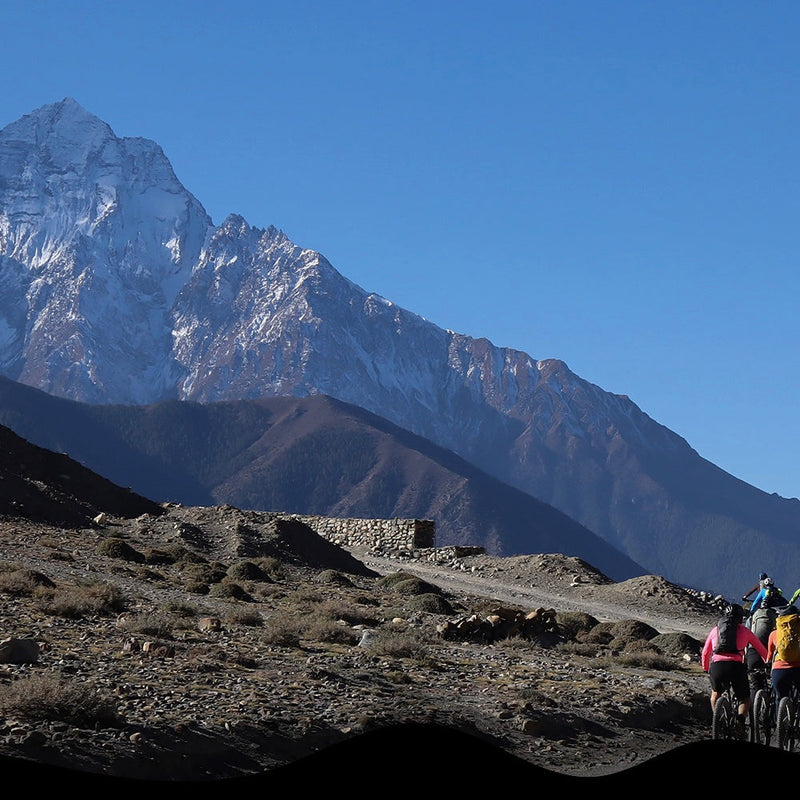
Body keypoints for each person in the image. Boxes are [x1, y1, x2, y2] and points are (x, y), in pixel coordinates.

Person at [701, 603, 769, 736]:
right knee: (744, 698)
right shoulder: (745, 631)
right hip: (736, 667)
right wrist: (767, 662)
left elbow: (705, 652)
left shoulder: (715, 630)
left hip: (717, 667)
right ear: (740, 618)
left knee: (716, 694)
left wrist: (705, 668)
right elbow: (761, 649)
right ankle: (740, 720)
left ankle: (718, 720)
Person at [766, 605, 800, 716]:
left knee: (780, 698)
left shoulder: (774, 634)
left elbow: (769, 656)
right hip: (798, 669)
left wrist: (767, 665)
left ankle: (780, 727)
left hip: (779, 670)